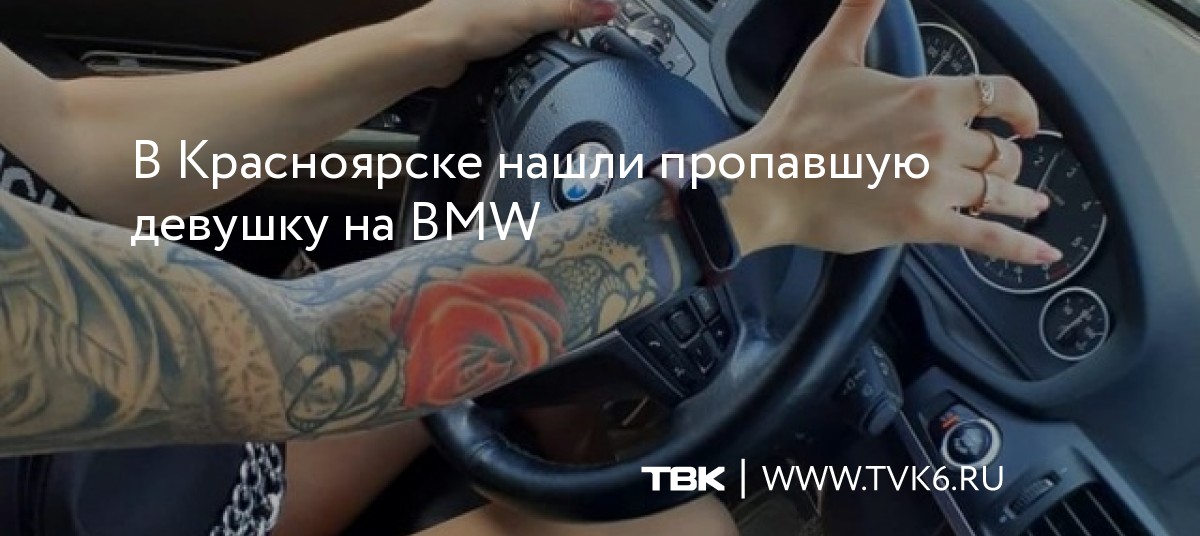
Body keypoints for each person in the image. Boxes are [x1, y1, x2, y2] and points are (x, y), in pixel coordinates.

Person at [0, 0, 1058, 533]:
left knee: (558, 395)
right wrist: (744, 200)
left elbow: (74, 138)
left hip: (154, 441)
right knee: (675, 523)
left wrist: (438, 35)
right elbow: (302, 357)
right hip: (151, 455)